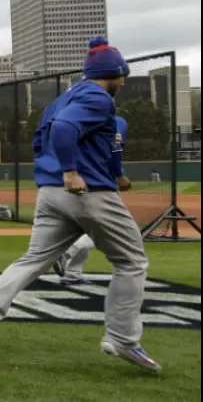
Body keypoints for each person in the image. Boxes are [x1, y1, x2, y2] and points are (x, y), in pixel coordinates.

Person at [0, 37, 160, 372]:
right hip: (86, 192)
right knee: (132, 261)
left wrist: (72, 171)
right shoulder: (97, 96)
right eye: (122, 75)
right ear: (111, 72)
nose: (124, 81)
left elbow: (43, 139)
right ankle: (123, 338)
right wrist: (72, 171)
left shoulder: (63, 98)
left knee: (35, 258)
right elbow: (66, 129)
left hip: (50, 193)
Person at [53, 116, 130, 285]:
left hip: (71, 180)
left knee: (85, 228)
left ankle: (72, 273)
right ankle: (66, 254)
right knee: (103, 228)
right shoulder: (118, 122)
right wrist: (119, 175)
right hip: (98, 183)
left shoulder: (70, 121)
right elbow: (116, 151)